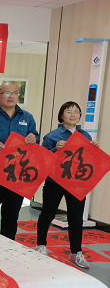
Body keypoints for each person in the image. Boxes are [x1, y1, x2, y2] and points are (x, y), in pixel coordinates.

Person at [35, 101, 99, 269]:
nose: (73, 114)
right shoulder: (52, 136)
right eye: (69, 111)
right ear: (61, 115)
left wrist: (95, 149)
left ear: (80, 116)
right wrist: (55, 149)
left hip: (76, 183)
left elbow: (88, 160)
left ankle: (75, 252)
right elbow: (43, 160)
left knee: (76, 218)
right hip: (54, 182)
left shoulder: (85, 136)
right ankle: (41, 245)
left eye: (76, 112)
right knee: (47, 213)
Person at [0, 82, 40, 240]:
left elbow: (36, 138)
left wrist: (34, 138)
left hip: (17, 176)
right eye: (7, 93)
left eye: (15, 93)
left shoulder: (27, 117)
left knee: (11, 216)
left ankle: (8, 247)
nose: (11, 96)